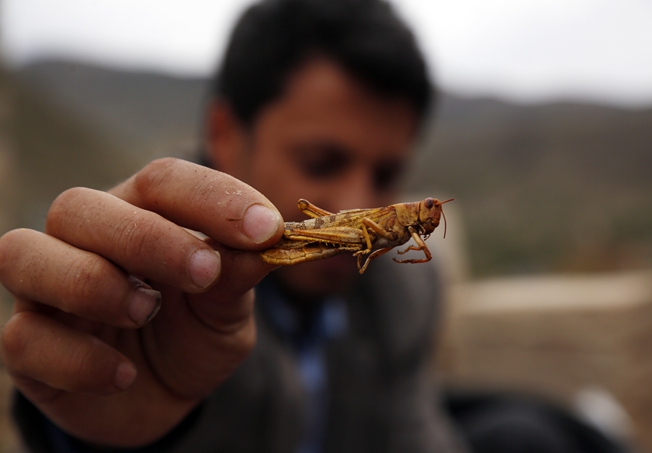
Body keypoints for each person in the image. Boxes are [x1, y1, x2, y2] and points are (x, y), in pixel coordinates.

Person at [0, 0, 466, 451]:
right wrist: (109, 441)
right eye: (321, 162)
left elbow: (416, 435)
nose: (357, 198)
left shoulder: (408, 295)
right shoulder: (155, 272)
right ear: (223, 134)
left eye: (386, 175)